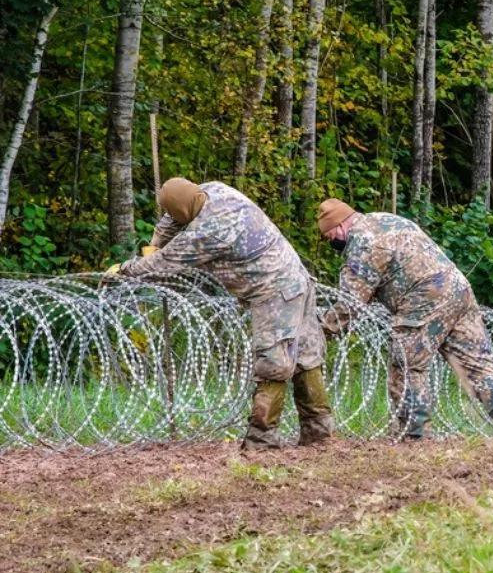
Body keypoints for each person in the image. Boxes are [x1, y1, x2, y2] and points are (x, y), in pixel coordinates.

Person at [111, 178, 333, 449]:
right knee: (306, 356)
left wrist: (125, 269)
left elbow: (165, 263)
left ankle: (262, 440)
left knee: (274, 363)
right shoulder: (213, 189)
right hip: (295, 276)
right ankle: (318, 433)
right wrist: (156, 241)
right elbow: (171, 219)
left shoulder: (210, 231)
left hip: (274, 289)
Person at [316, 198, 493, 442]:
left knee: (406, 364)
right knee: (478, 365)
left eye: (329, 236)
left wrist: (321, 330)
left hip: (425, 297)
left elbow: (350, 302)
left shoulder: (362, 242)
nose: (330, 241)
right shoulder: (385, 219)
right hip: (458, 291)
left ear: (340, 226)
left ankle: (414, 434)